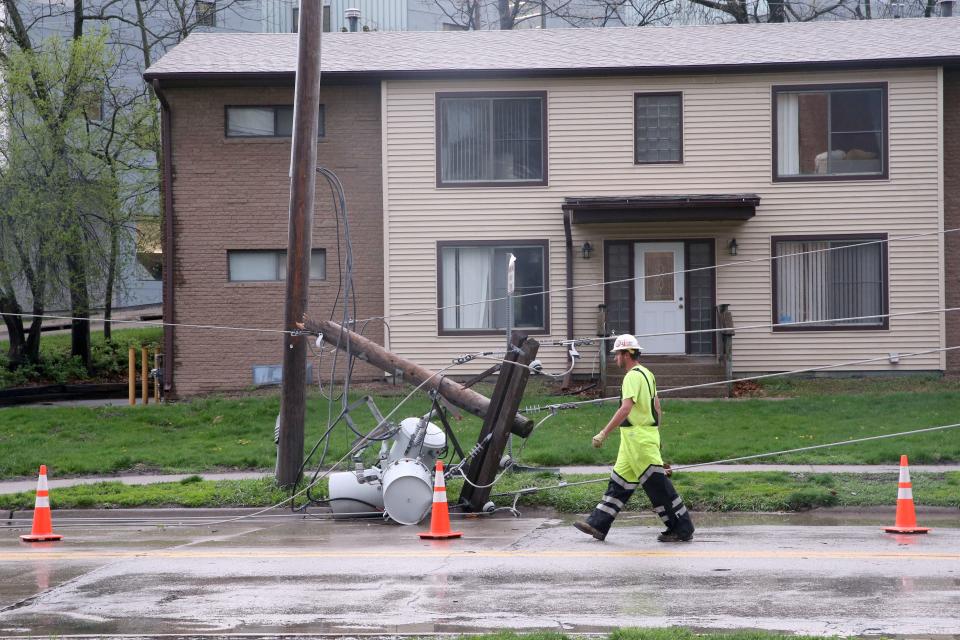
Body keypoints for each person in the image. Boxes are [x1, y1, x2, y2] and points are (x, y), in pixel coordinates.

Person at [574, 334, 695, 543]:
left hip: (638, 440)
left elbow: (626, 408)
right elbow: (657, 407)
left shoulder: (631, 377)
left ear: (626, 354)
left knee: (658, 487)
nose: (615, 359)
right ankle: (598, 525)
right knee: (618, 484)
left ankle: (682, 528)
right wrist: (656, 436)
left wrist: (603, 433)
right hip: (637, 439)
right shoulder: (647, 374)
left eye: (617, 354)